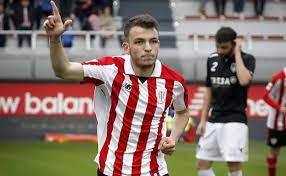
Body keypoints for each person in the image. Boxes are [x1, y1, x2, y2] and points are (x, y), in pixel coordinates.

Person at [44, 1, 190, 175]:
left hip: (155, 171)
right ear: (126, 48)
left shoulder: (174, 82)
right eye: (139, 42)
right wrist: (54, 40)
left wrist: (172, 138)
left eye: (153, 41)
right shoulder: (109, 69)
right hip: (112, 170)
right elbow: (63, 70)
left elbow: (182, 112)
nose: (148, 48)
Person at [196, 27, 256, 176]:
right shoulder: (211, 59)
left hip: (235, 120)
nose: (220, 50)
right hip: (213, 119)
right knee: (202, 164)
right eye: (217, 46)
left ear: (234, 44)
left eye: (224, 47)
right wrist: (203, 120)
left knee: (233, 166)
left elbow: (244, 80)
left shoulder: (247, 59)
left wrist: (237, 53)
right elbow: (208, 91)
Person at [263, 67, 286, 176]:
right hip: (277, 123)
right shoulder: (278, 77)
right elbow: (265, 96)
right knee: (274, 152)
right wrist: (279, 107)